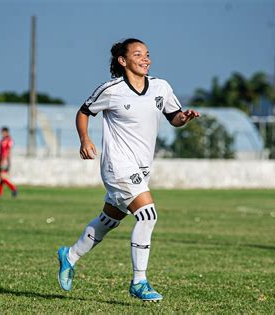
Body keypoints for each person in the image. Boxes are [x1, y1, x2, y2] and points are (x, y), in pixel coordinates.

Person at [57, 38, 199, 302]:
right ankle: (139, 281)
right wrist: (85, 140)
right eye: (138, 54)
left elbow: (174, 117)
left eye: (147, 54)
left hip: (142, 168)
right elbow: (84, 112)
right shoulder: (111, 90)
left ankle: (70, 255)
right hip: (117, 166)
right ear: (123, 61)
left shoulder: (161, 87)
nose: (146, 59)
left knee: (108, 220)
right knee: (148, 215)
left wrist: (185, 118)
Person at [0, 127, 18, 198]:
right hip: (1, 159)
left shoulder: (8, 140)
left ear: (6, 132)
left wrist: (5, 160)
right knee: (1, 178)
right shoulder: (2, 140)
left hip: (5, 160)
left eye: (3, 132)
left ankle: (13, 188)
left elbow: (8, 151)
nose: (2, 133)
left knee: (3, 177)